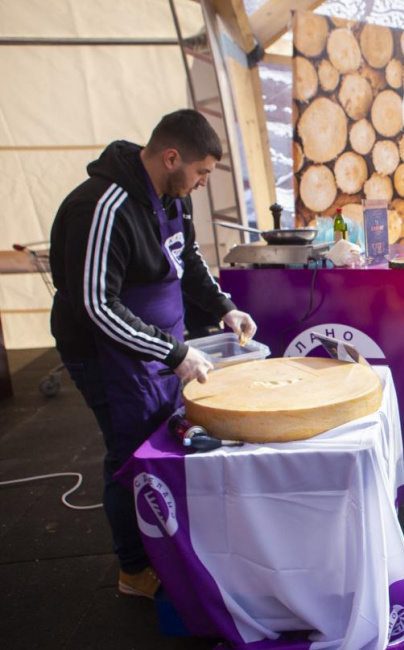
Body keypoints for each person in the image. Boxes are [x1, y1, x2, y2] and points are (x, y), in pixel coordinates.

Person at [49, 109, 257, 599]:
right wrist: (173, 352)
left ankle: (167, 545)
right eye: (202, 172)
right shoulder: (102, 206)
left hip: (160, 348)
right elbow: (98, 305)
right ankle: (134, 568)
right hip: (105, 353)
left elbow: (188, 259)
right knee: (129, 456)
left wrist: (224, 308)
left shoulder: (173, 196)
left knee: (163, 444)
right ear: (171, 157)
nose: (204, 183)